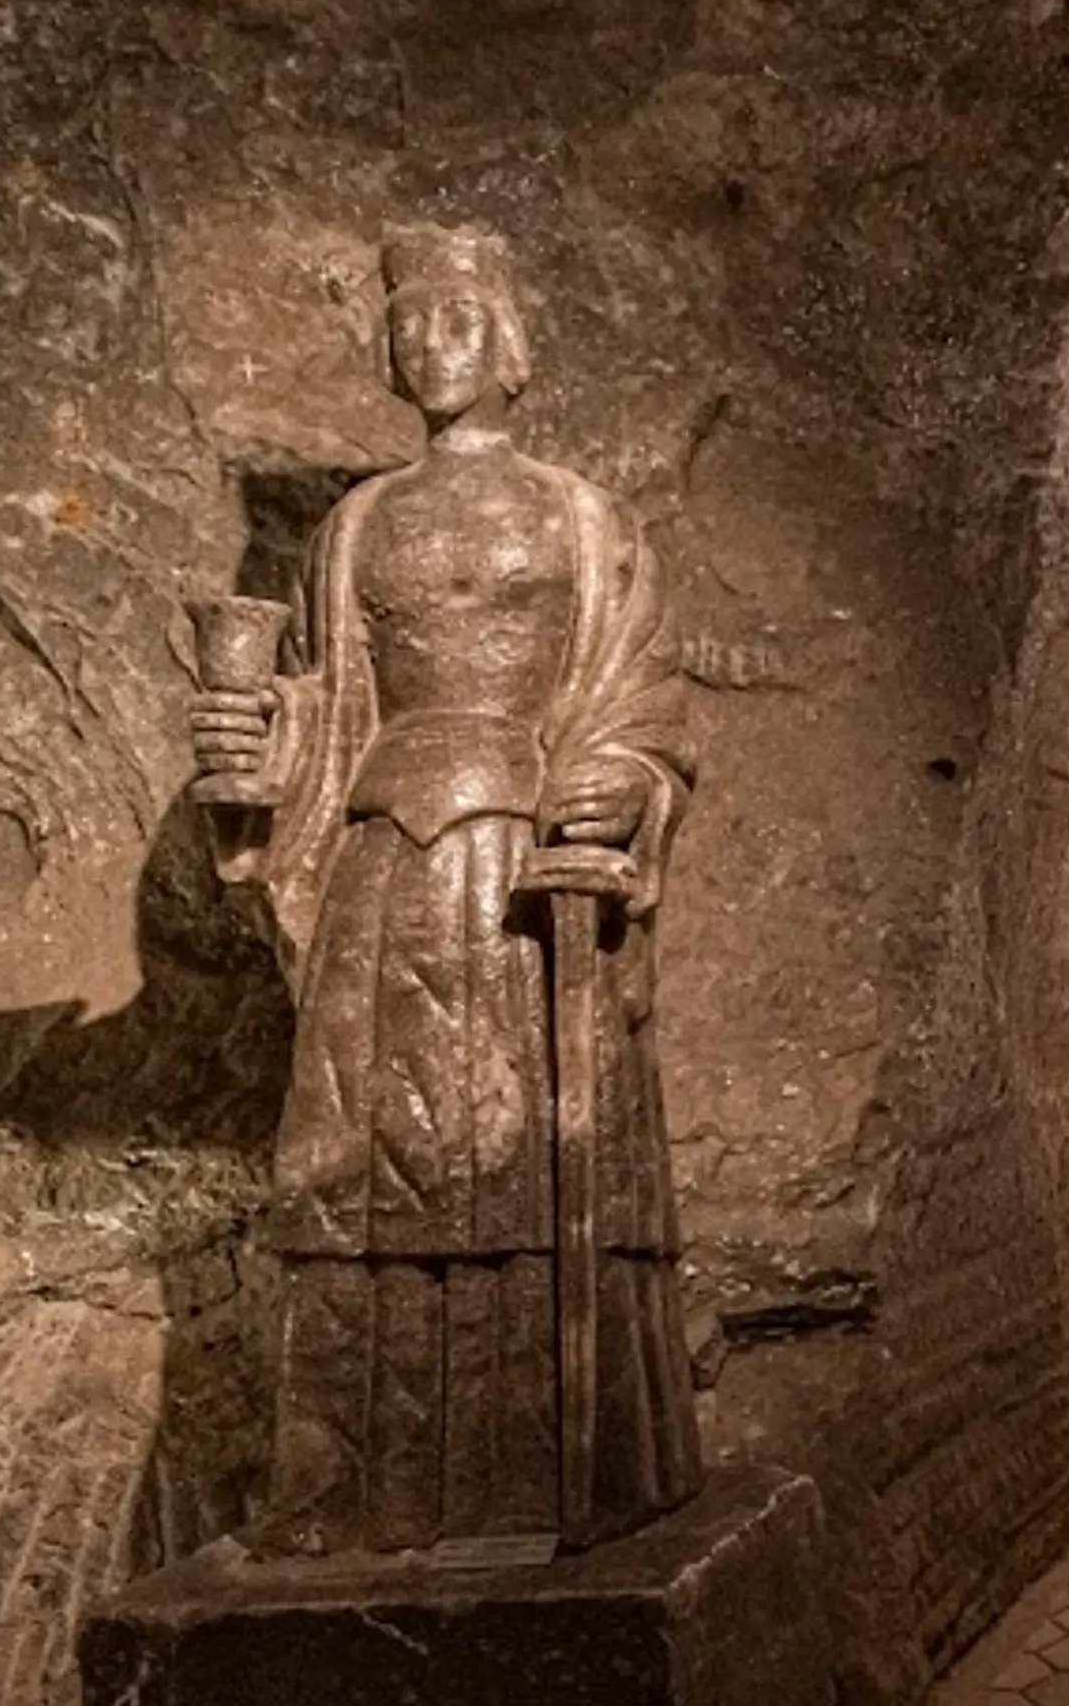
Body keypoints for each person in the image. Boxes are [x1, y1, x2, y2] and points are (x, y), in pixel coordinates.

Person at [189, 225, 700, 1554]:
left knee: (524, 1154)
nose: (432, 346)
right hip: (384, 868)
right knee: (365, 1160)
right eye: (410, 324)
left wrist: (618, 783)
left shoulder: (582, 520)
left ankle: (549, 1472)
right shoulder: (354, 529)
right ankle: (362, 1484)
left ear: (509, 339)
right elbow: (329, 705)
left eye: (458, 318)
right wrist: (263, 751)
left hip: (525, 874)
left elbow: (637, 700)